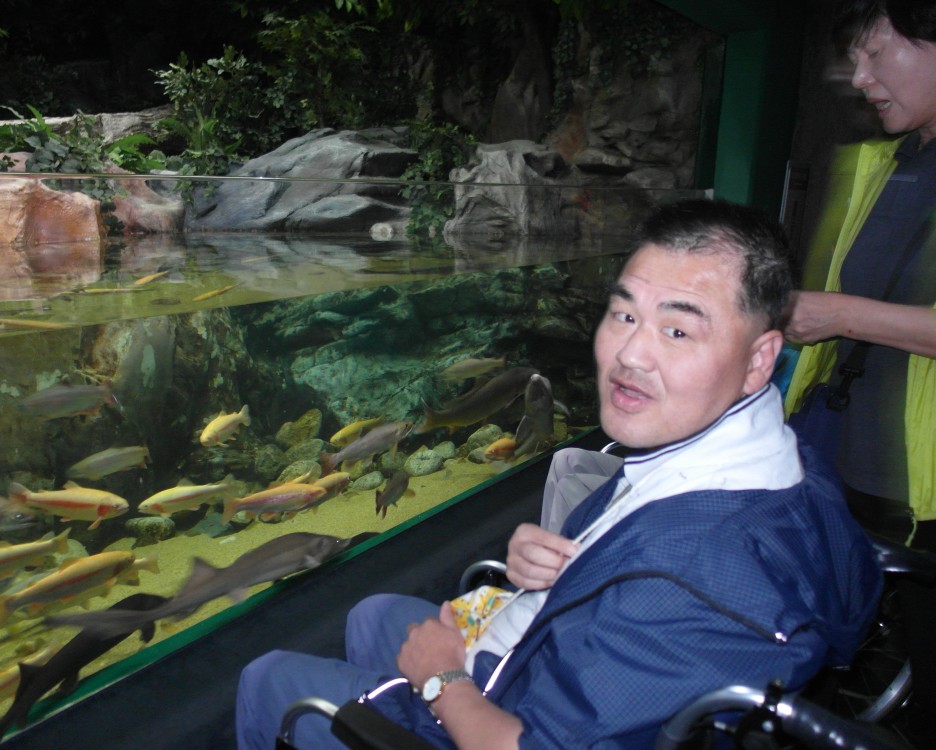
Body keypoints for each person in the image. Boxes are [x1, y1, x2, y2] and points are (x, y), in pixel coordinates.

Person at [236, 199, 882, 750]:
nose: (630, 354)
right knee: (374, 614)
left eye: (679, 331)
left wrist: (441, 681)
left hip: (518, 712)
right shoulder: (773, 459)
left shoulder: (690, 576)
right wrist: (571, 568)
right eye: (624, 314)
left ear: (760, 359)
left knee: (268, 681)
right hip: (566, 655)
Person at [783, 3, 936, 742]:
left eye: (877, 52)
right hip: (835, 444)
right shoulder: (889, 160)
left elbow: (847, 309)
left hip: (918, 484)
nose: (860, 76)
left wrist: (840, 314)